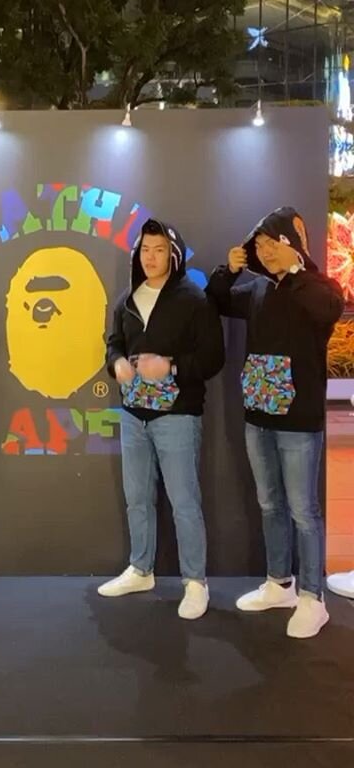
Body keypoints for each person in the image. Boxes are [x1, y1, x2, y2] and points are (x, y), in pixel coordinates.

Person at [206, 207, 344, 638]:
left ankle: (313, 598)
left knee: (304, 510)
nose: (266, 252)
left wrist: (295, 268)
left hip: (299, 421)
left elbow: (328, 310)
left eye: (273, 244)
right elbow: (216, 299)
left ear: (292, 244)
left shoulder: (319, 287)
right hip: (257, 415)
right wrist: (229, 271)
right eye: (260, 246)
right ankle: (279, 583)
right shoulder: (258, 290)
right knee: (270, 503)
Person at [99, 218, 225, 620]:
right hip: (133, 415)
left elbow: (213, 358)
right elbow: (113, 343)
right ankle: (141, 569)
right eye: (145, 250)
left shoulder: (194, 299)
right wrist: (117, 363)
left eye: (159, 250)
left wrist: (170, 366)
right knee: (137, 497)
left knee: (184, 501)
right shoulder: (128, 299)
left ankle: (195, 582)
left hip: (177, 415)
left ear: (173, 255)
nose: (150, 258)